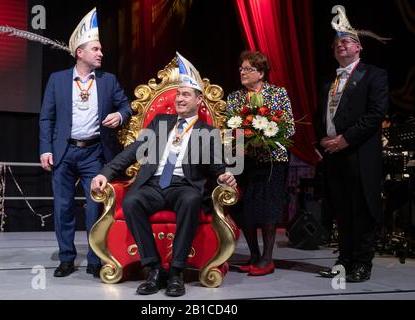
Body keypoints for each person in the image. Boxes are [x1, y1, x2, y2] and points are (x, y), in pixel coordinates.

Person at [91, 52, 236, 297]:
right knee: (132, 201)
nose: (179, 99)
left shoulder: (206, 131)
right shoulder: (160, 122)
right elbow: (133, 152)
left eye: (186, 95)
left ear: (199, 100)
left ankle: (177, 272)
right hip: (154, 183)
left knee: (191, 200)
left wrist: (224, 176)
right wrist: (105, 172)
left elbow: (217, 165)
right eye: (178, 94)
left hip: (184, 185)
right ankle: (155, 269)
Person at [39, 8, 132, 278]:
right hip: (64, 150)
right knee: (63, 206)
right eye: (95, 49)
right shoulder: (57, 80)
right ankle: (66, 258)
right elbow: (46, 117)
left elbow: (126, 106)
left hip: (94, 152)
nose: (101, 53)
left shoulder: (108, 80)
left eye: (101, 49)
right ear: (80, 52)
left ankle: (95, 258)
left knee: (95, 208)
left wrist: (120, 114)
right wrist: (45, 148)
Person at [315, 6, 389, 282]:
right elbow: (320, 115)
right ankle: (344, 261)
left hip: (358, 153)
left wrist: (345, 139)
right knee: (342, 211)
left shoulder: (374, 75)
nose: (339, 46)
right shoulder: (329, 81)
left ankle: (362, 264)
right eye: (335, 44)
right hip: (333, 153)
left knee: (361, 210)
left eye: (344, 42)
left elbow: (375, 114)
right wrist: (321, 139)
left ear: (358, 47)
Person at [226, 51, 295, 276]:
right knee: (243, 208)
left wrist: (265, 140)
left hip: (271, 161)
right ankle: (254, 254)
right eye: (241, 69)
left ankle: (267, 258)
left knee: (267, 208)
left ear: (261, 73)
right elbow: (228, 130)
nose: (242, 73)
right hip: (243, 160)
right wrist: (242, 142)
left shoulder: (278, 93)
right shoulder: (235, 98)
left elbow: (289, 127)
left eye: (247, 69)